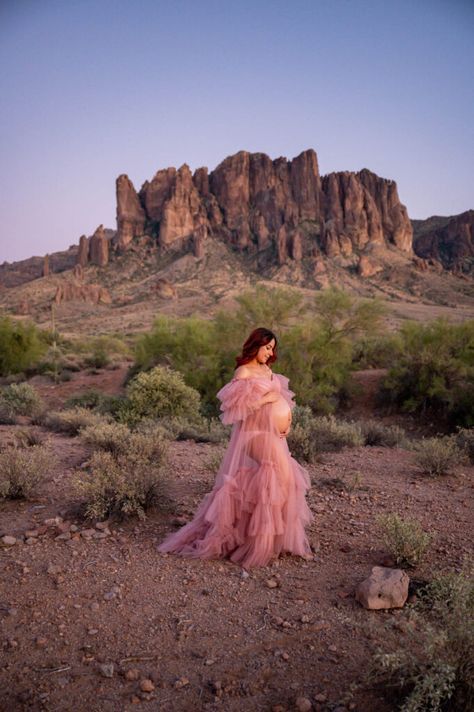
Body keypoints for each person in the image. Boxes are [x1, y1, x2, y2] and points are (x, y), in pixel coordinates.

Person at [158, 327, 314, 568]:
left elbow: (283, 400)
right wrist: (268, 399)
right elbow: (236, 411)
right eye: (267, 347)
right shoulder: (243, 372)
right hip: (254, 435)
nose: (270, 352)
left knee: (283, 480)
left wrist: (287, 423)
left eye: (273, 348)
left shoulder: (268, 370)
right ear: (256, 345)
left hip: (276, 435)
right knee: (277, 476)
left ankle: (273, 540)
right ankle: (260, 546)